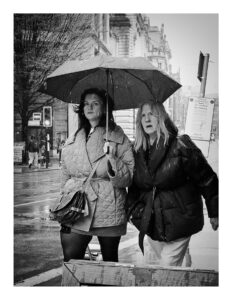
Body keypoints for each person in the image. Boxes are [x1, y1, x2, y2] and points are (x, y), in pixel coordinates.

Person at [126, 100, 218, 267]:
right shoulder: (137, 150)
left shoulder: (181, 145)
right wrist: (134, 212)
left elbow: (207, 179)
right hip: (152, 223)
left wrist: (215, 212)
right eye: (143, 115)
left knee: (166, 270)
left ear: (161, 117)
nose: (147, 119)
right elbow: (134, 188)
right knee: (171, 268)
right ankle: (185, 270)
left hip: (181, 220)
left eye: (152, 114)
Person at [59, 88, 134, 263]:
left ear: (105, 108)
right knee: (71, 262)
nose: (89, 107)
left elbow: (128, 177)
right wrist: (64, 198)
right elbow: (64, 174)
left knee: (108, 267)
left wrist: (112, 158)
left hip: (108, 209)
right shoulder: (74, 137)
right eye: (85, 103)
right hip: (77, 208)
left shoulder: (118, 136)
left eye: (95, 103)